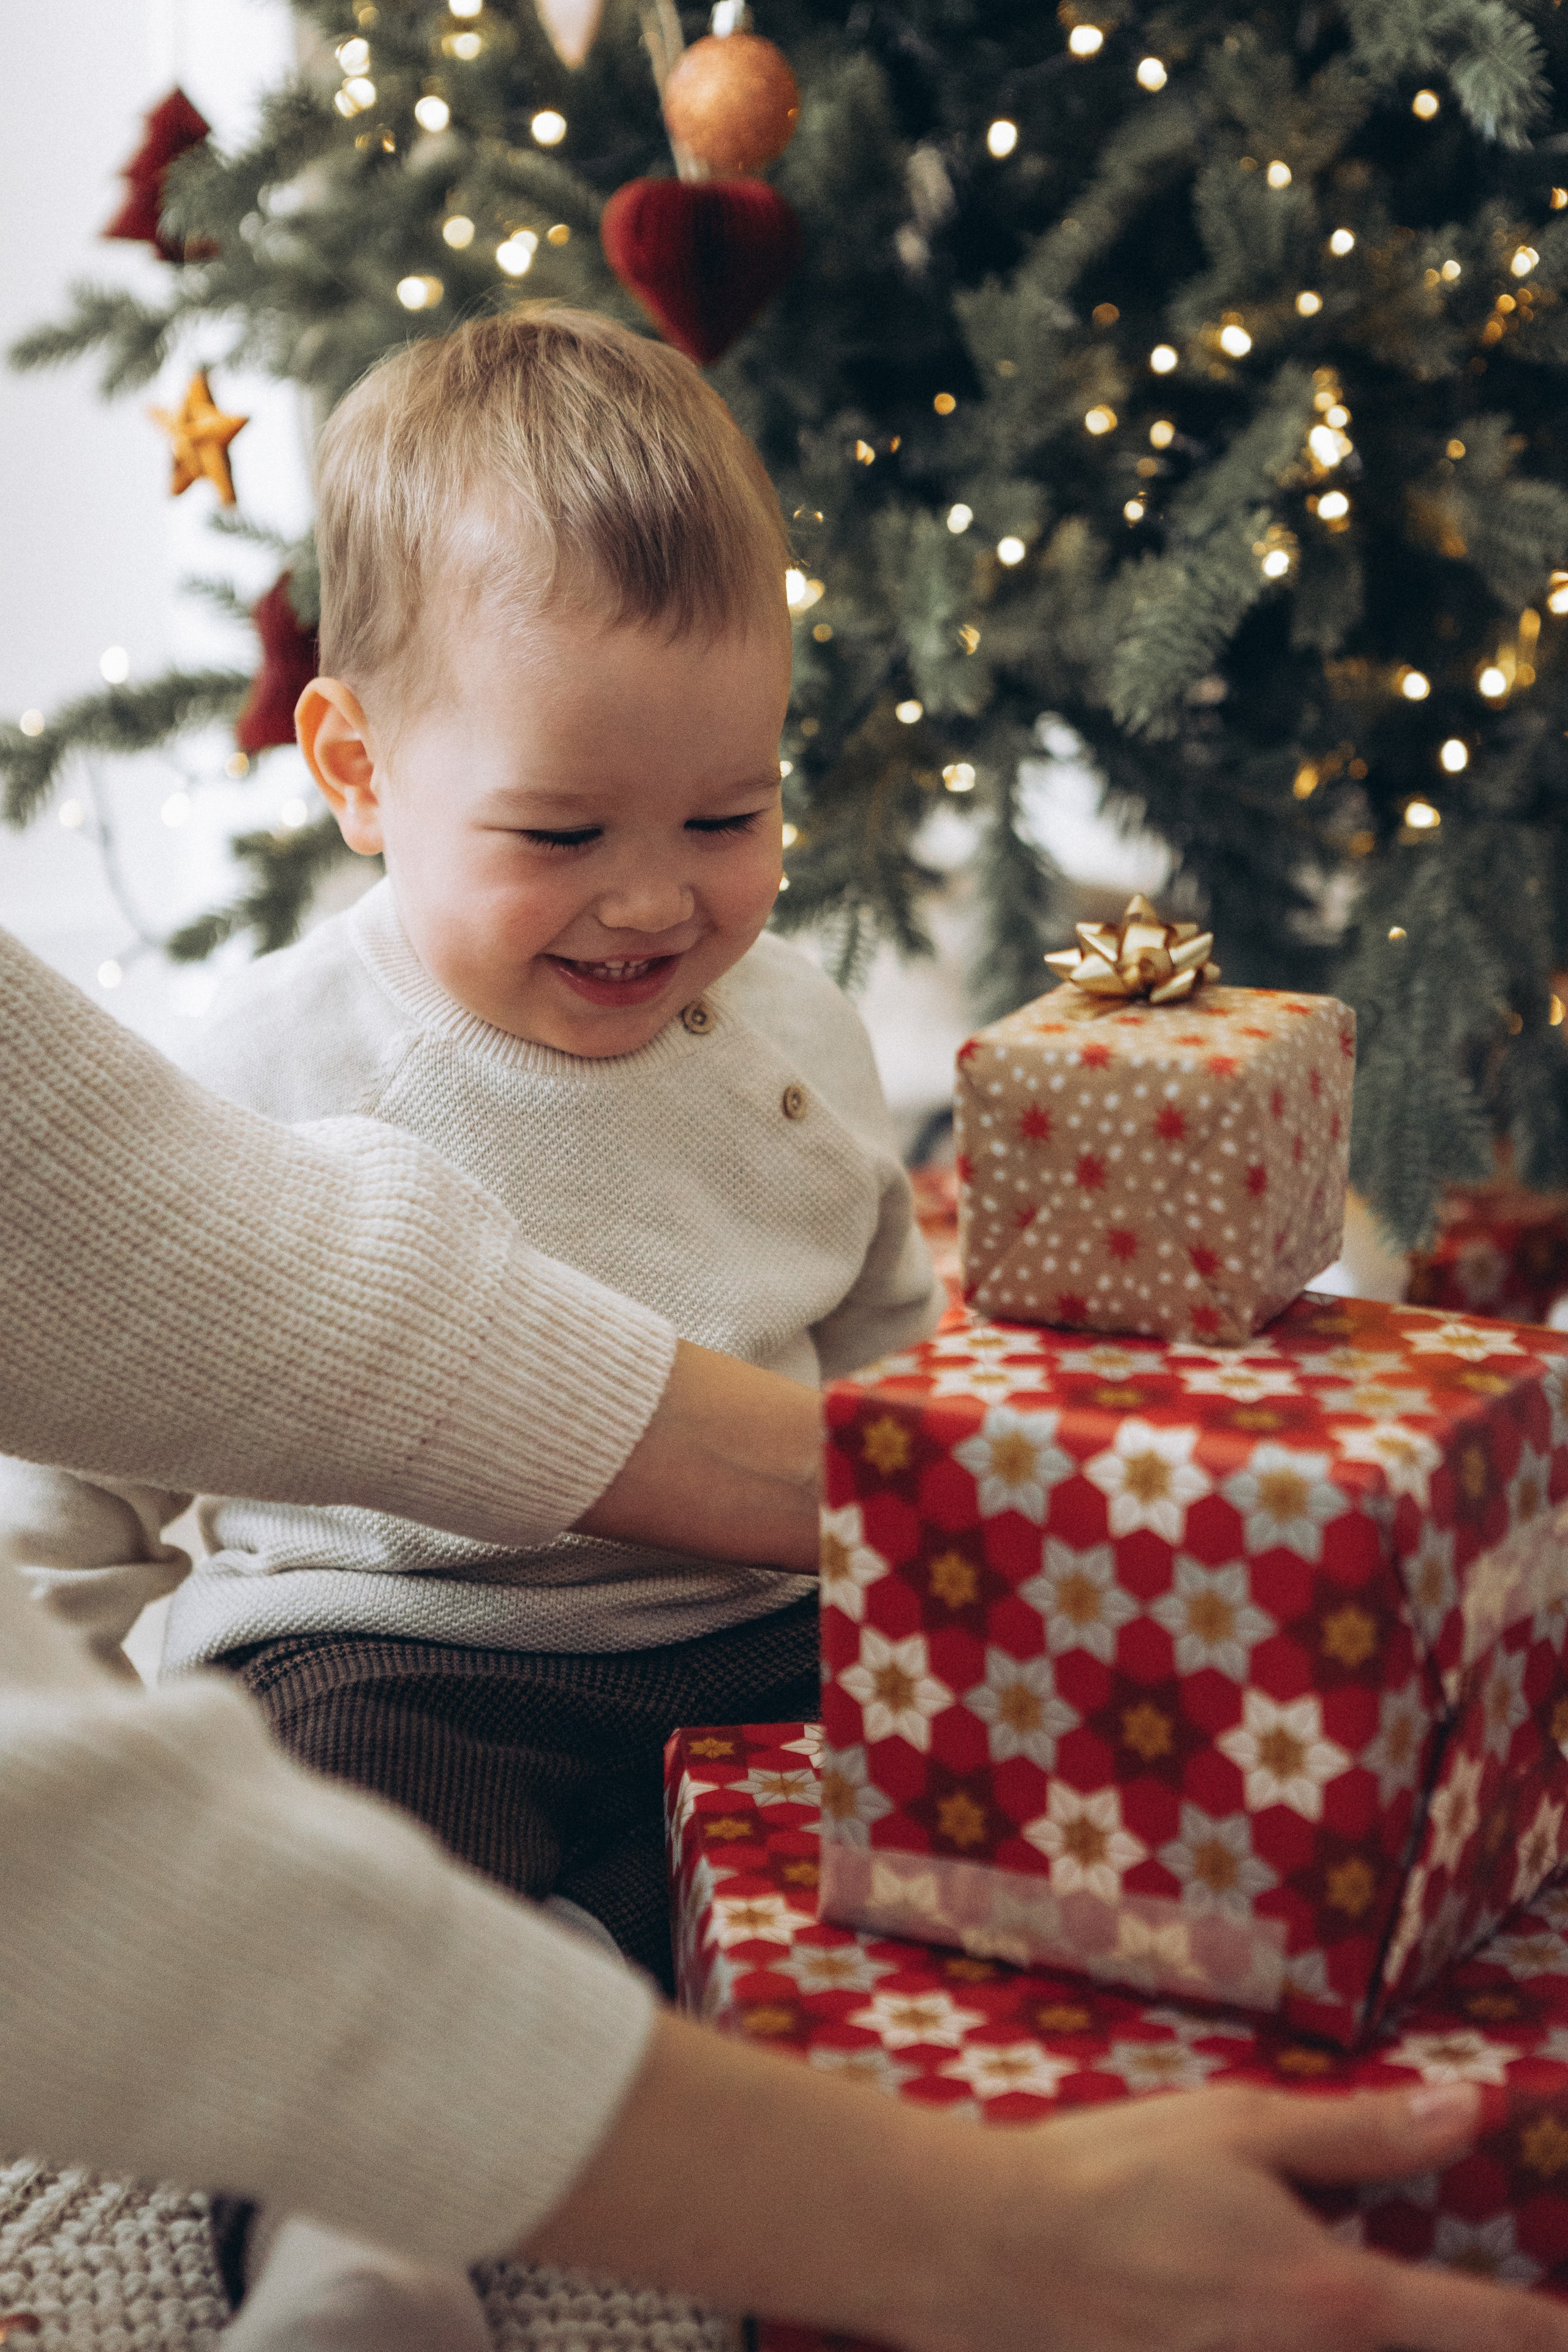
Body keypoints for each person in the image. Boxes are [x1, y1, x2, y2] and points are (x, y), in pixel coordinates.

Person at [2, 919, 1562, 2352]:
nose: (646, 899)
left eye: (722, 817)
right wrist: (76, 1665)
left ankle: (598, 1949)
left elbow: (895, 1349)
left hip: (756, 1617)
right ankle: (356, 2246)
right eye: (559, 838)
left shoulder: (792, 1024)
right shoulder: (267, 1042)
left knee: (914, 1823)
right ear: (354, 770)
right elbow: (86, 1442)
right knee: (349, 1832)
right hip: (397, 1640)